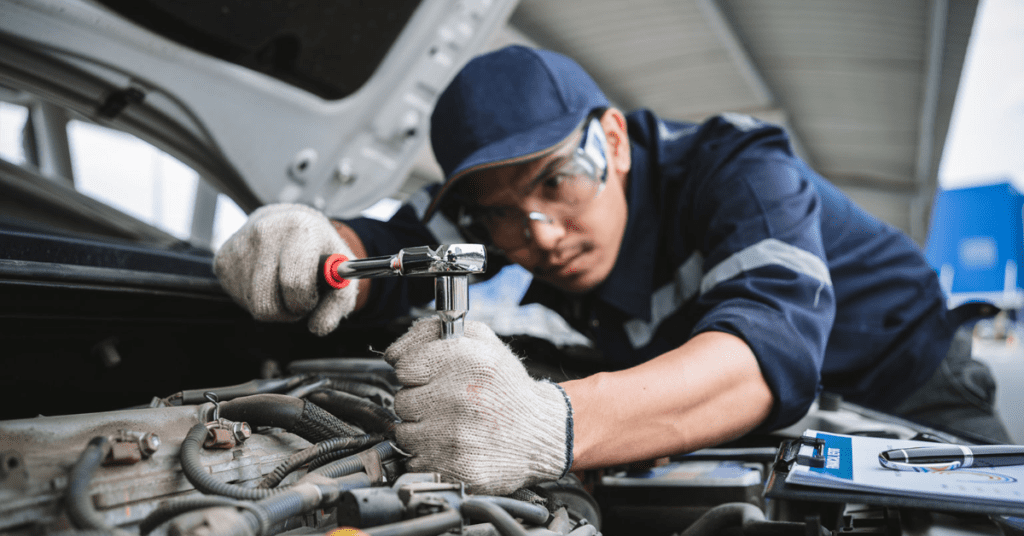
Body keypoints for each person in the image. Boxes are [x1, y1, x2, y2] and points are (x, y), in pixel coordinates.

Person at [214, 45, 1011, 495]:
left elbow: (769, 348)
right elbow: (397, 247)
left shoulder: (741, 170)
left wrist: (551, 424)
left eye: (557, 181)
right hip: (745, 413)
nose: (537, 232)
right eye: (497, 212)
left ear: (617, 143)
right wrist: (317, 243)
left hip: (906, 382)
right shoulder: (508, 213)